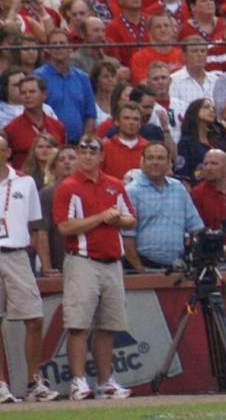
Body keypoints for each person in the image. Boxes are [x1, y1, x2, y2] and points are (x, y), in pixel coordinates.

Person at [50, 125, 137, 400]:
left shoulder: (115, 184)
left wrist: (115, 218)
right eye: (83, 151)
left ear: (101, 156)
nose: (87, 155)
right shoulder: (68, 187)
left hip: (112, 261)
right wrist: (102, 217)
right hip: (82, 261)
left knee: (108, 324)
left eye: (93, 151)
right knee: (78, 322)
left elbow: (130, 218)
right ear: (77, 155)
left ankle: (104, 380)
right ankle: (78, 381)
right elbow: (64, 227)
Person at [0, 132, 54, 403]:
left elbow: (36, 227)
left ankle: (34, 382)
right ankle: (0, 386)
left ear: (8, 152)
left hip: (17, 253)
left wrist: (44, 263)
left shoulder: (25, 182)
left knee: (34, 318)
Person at [123, 142, 202, 270]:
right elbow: (127, 237)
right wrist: (139, 269)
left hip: (178, 267)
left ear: (169, 163)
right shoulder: (131, 191)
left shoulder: (178, 188)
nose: (155, 162)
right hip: (143, 266)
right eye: (150, 158)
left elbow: (196, 227)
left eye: (160, 158)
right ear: (142, 161)